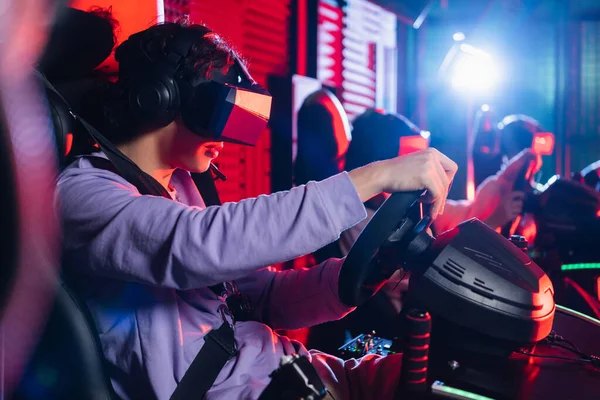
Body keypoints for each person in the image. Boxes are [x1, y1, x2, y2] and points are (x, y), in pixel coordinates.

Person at [57, 20, 458, 400]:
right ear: (160, 98)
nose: (226, 138)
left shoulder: (180, 186)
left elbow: (260, 295)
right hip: (241, 389)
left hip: (293, 373)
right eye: (215, 110)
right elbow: (195, 245)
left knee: (468, 373)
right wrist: (375, 177)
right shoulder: (83, 195)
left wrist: (357, 276)